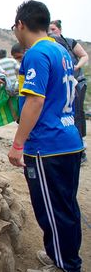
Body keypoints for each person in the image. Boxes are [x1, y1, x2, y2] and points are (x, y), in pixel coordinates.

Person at [8, 0, 83, 272]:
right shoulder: (61, 50)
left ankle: (66, 268)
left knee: (52, 209)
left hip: (47, 146)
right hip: (69, 139)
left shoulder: (36, 54)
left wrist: (18, 144)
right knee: (63, 206)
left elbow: (34, 102)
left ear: (21, 25)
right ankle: (59, 254)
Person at [48, 20, 88, 164]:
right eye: (49, 29)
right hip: (62, 84)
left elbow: (84, 55)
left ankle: (81, 149)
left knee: (77, 113)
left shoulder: (70, 42)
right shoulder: (51, 46)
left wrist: (77, 66)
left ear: (60, 29)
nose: (51, 31)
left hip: (77, 82)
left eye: (53, 28)